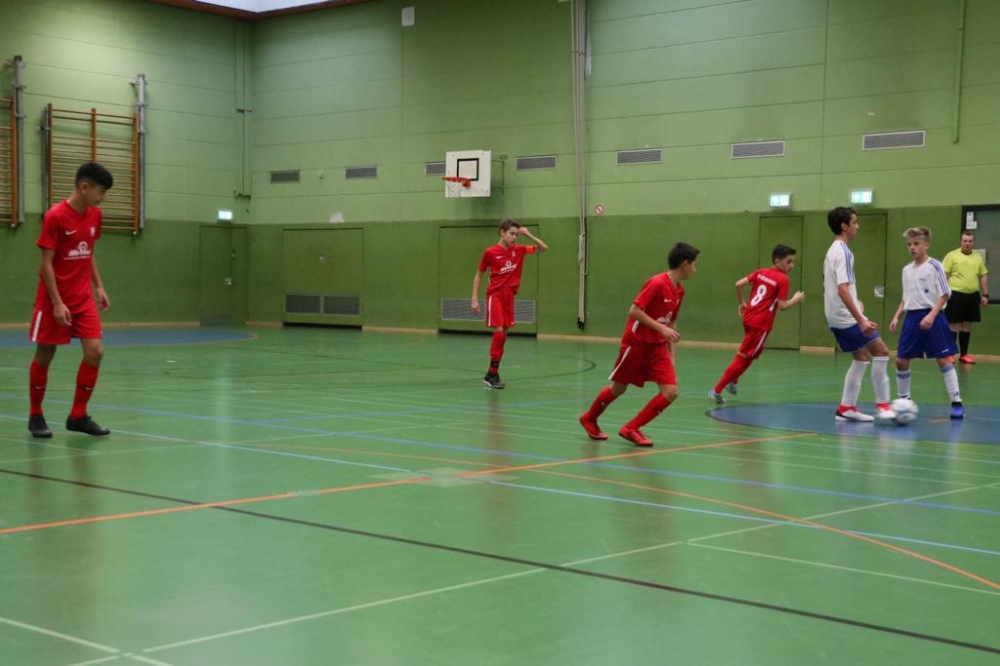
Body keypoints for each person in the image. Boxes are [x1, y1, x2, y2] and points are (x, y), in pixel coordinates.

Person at [579, 242, 700, 447]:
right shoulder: (657, 283)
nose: (695, 270)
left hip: (658, 347)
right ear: (685, 264)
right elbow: (634, 311)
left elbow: (671, 324)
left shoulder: (679, 291)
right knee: (618, 388)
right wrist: (661, 329)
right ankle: (589, 418)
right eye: (695, 265)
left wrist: (672, 356)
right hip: (636, 344)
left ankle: (631, 428)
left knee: (671, 392)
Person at [27, 161, 114, 438]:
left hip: (83, 298)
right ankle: (35, 414)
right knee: (45, 354)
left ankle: (78, 415)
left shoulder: (95, 216)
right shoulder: (55, 217)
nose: (103, 198)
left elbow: (88, 252)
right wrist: (56, 302)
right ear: (84, 187)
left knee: (95, 351)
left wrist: (99, 287)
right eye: (101, 191)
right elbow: (45, 264)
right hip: (53, 299)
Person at [709, 244, 804, 403]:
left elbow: (738, 284)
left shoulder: (761, 272)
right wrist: (795, 299)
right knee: (743, 356)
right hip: (761, 323)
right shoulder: (783, 279)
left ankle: (733, 380)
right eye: (788, 262)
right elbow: (782, 306)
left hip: (748, 318)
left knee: (751, 354)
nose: (792, 265)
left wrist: (741, 303)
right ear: (777, 261)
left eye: (792, 262)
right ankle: (716, 390)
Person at [823, 207, 893, 422]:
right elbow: (842, 289)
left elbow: (840, 288)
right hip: (845, 317)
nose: (857, 226)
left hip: (835, 315)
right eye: (854, 222)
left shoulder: (833, 250)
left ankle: (846, 407)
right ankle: (883, 406)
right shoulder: (843, 252)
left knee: (861, 356)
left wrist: (857, 303)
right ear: (844, 226)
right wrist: (860, 320)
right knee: (881, 351)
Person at [888, 227, 964, 419]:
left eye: (916, 244)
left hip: (934, 317)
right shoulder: (906, 270)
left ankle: (956, 402)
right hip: (912, 318)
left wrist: (931, 315)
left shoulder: (935, 266)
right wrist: (897, 316)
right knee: (901, 360)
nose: (912, 247)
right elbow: (906, 298)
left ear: (926, 244)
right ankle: (904, 401)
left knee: (943, 359)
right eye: (909, 244)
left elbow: (945, 294)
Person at [471, 218, 547, 388]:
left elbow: (543, 248)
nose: (514, 237)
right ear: (502, 233)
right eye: (511, 234)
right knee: (498, 334)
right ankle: (492, 375)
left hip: (509, 297)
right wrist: (474, 299)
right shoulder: (490, 252)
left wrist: (528, 235)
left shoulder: (518, 250)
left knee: (503, 337)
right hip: (495, 295)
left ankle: (492, 373)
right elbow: (479, 274)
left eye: (516, 235)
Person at [942, 230, 989, 364]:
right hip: (955, 295)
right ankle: (950, 354)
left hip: (972, 296)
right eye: (965, 241)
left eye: (970, 241)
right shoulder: (952, 256)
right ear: (960, 242)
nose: (967, 243)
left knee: (966, 326)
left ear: (973, 242)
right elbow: (944, 275)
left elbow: (983, 276)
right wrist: (944, 294)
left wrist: (985, 294)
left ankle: (964, 354)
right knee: (954, 325)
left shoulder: (978, 257)